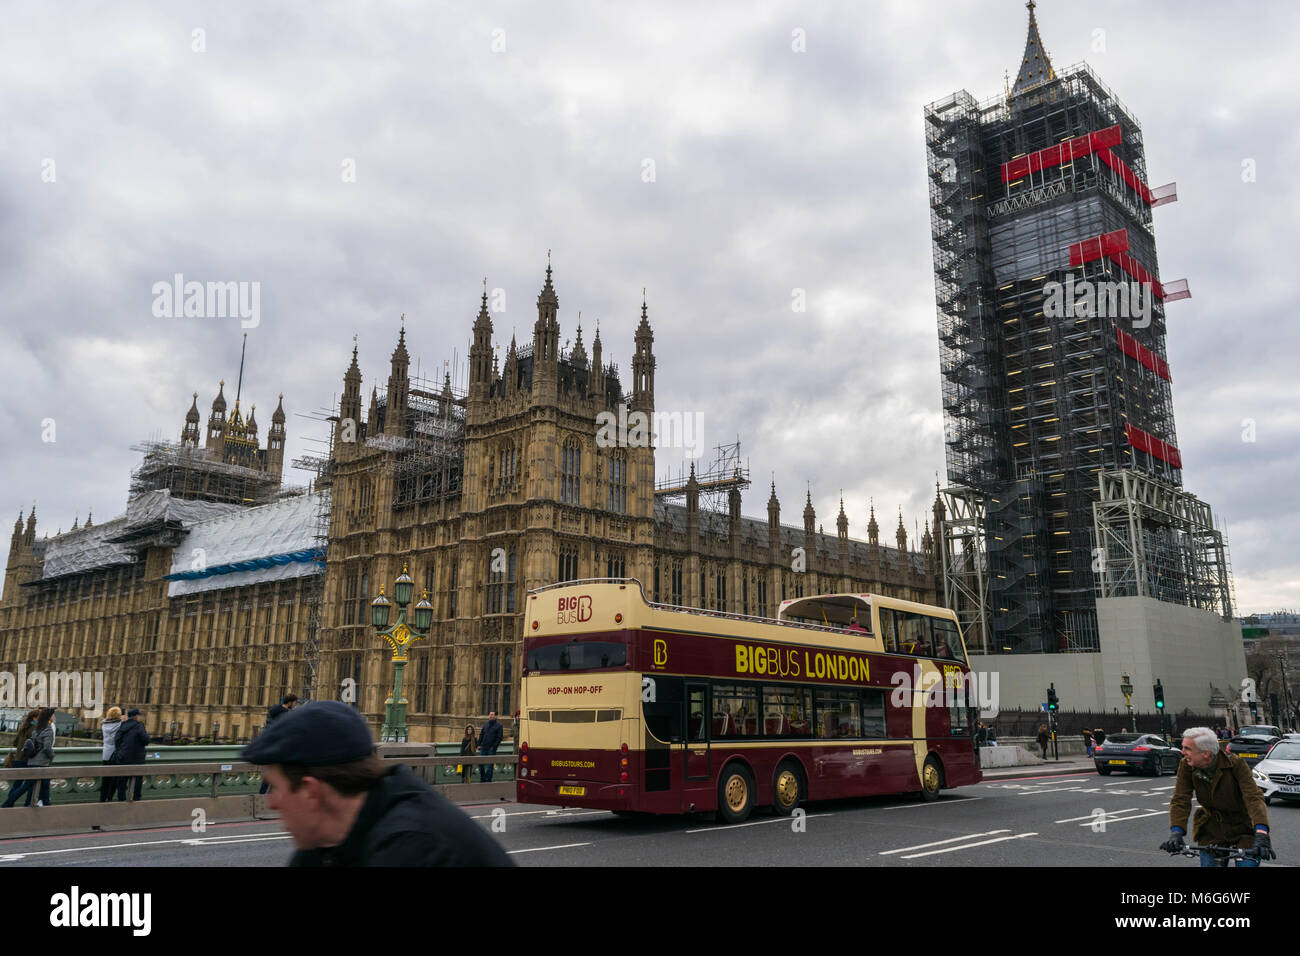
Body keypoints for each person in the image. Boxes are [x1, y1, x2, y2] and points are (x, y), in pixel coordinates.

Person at [240, 700, 513, 866]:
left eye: (276, 787)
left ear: (313, 792)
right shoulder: (325, 841)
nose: (271, 801)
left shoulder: (412, 847)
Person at [1160, 726, 1274, 867]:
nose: (1182, 752)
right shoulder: (1186, 766)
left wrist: (1261, 833)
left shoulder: (1236, 764)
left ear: (1206, 754)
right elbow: (1180, 799)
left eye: (1187, 748)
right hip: (1212, 828)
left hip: (1243, 827)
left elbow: (1253, 798)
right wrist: (1176, 832)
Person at [2, 709, 42, 808]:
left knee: (16, 784)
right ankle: (26, 804)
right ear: (35, 718)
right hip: (26, 760)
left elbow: (15, 743)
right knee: (29, 785)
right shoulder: (35, 728)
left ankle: (9, 804)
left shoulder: (23, 727)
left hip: (17, 759)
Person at [259, 695, 299, 794]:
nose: (295, 705)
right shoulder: (286, 715)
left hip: (270, 745)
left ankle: (263, 793)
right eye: (294, 702)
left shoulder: (273, 711)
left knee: (273, 772)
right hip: (280, 747)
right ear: (290, 702)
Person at [113, 708, 151, 802]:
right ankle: (136, 799)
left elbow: (117, 740)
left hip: (123, 758)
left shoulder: (123, 725)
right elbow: (146, 740)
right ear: (136, 717)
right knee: (137, 781)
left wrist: (120, 752)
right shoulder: (139, 726)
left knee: (122, 781)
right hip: (137, 759)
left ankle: (121, 800)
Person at [99, 706, 123, 802]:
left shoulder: (104, 725)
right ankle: (109, 797)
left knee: (105, 778)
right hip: (115, 754)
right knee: (114, 778)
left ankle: (102, 798)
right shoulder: (119, 725)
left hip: (106, 754)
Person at [478, 711, 503, 783]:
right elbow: (481, 734)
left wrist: (494, 747)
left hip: (491, 748)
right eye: (490, 714)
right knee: (480, 763)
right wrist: (479, 744)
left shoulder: (499, 725)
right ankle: (483, 778)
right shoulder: (486, 724)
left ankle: (488, 780)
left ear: (496, 716)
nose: (491, 716)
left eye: (492, 715)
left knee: (490, 765)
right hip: (483, 747)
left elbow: (499, 738)